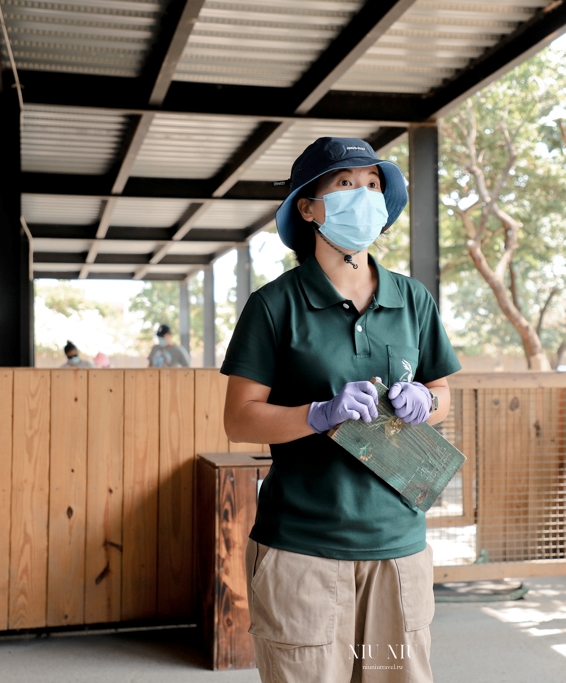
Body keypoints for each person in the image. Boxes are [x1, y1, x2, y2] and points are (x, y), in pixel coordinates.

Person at [221, 137, 461, 683]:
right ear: (308, 208)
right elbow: (239, 418)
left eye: (373, 184)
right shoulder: (273, 305)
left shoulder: (413, 299)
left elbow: (443, 393)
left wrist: (427, 400)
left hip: (398, 548)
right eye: (346, 184)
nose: (365, 195)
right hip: (302, 549)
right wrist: (318, 414)